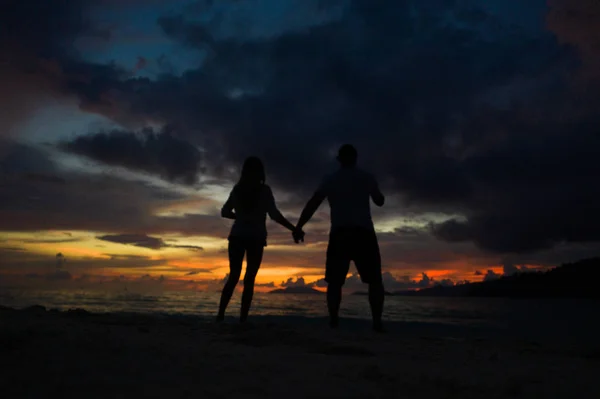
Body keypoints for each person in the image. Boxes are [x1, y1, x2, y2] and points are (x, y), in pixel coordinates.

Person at [295, 144, 385, 332]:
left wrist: (299, 225)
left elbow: (314, 202)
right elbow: (379, 200)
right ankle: (376, 323)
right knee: (374, 280)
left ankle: (334, 321)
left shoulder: (331, 179)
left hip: (340, 233)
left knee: (335, 282)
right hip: (363, 233)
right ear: (355, 158)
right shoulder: (367, 177)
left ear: (339, 159)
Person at [217, 156, 304, 323]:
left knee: (234, 277)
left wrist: (239, 217)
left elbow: (224, 211)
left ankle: (220, 316)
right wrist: (294, 229)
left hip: (237, 236)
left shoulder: (237, 189)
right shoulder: (265, 191)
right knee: (249, 279)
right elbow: (275, 215)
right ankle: (243, 320)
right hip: (255, 238)